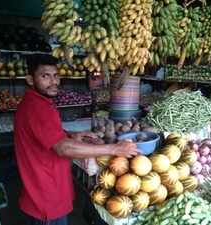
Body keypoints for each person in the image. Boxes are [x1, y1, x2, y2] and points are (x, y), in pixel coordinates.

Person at [13, 54, 138, 225]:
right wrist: (114, 149)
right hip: (46, 199)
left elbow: (44, 135)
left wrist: (71, 135)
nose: (54, 81)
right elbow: (63, 148)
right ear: (30, 79)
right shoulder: (38, 108)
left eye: (56, 75)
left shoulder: (35, 102)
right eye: (45, 76)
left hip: (41, 192)